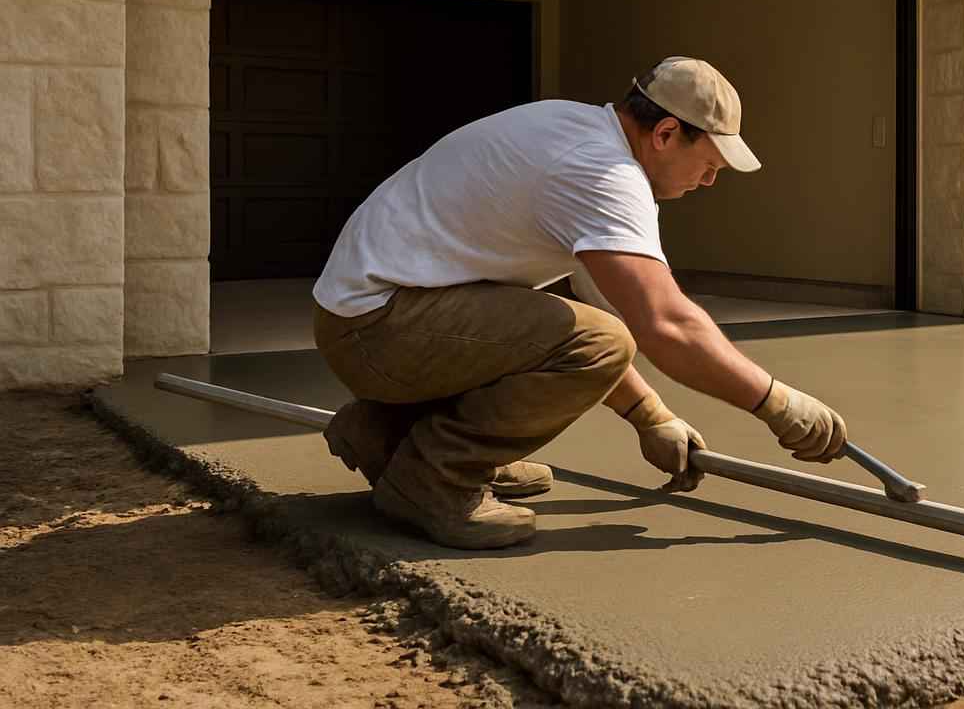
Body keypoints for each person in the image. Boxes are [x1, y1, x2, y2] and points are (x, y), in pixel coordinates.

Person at [311, 56, 848, 549]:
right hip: (379, 329)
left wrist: (651, 418)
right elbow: (664, 325)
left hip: (377, 316)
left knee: (587, 330)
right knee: (603, 342)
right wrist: (777, 404)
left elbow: (584, 310)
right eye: (708, 163)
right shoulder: (603, 173)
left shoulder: (571, 125)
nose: (709, 180)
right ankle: (435, 477)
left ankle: (385, 433)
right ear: (665, 133)